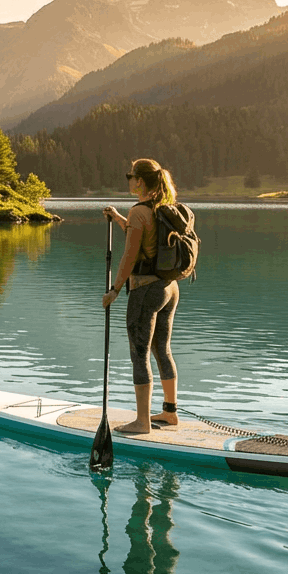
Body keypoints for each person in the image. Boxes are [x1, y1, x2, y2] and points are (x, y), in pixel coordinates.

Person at [102, 158, 180, 434]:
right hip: (169, 289)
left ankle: (142, 421)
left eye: (130, 176)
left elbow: (130, 254)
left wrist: (114, 290)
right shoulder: (164, 207)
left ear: (141, 181)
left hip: (145, 290)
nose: (129, 180)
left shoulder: (139, 211)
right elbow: (145, 240)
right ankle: (170, 413)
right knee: (162, 349)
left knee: (139, 353)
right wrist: (118, 218)